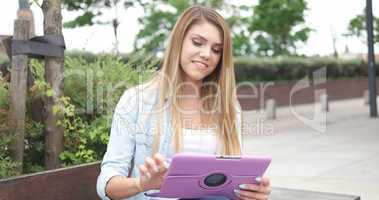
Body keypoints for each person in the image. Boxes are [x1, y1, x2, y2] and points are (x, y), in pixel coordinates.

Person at [96, 5, 271, 200]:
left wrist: (250, 193)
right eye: (197, 42)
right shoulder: (137, 101)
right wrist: (141, 184)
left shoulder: (228, 107)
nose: (207, 54)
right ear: (179, 41)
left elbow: (230, 185)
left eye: (216, 50)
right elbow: (106, 185)